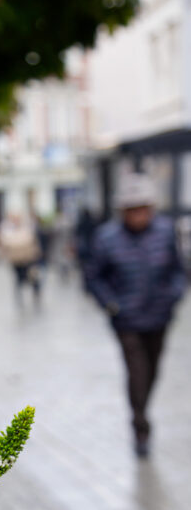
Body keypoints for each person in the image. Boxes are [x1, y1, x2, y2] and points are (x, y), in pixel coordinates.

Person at [86, 172, 186, 457]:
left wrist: (174, 295)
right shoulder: (107, 238)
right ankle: (140, 426)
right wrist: (111, 304)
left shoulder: (166, 231)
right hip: (127, 319)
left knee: (153, 370)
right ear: (124, 212)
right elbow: (93, 277)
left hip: (159, 315)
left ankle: (141, 409)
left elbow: (178, 269)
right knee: (137, 372)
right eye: (133, 209)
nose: (139, 215)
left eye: (143, 208)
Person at [0, 211, 42, 304]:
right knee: (18, 279)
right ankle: (20, 297)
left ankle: (35, 293)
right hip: (15, 259)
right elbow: (3, 242)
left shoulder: (27, 227)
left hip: (28, 258)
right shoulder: (7, 228)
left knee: (32, 277)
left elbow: (33, 241)